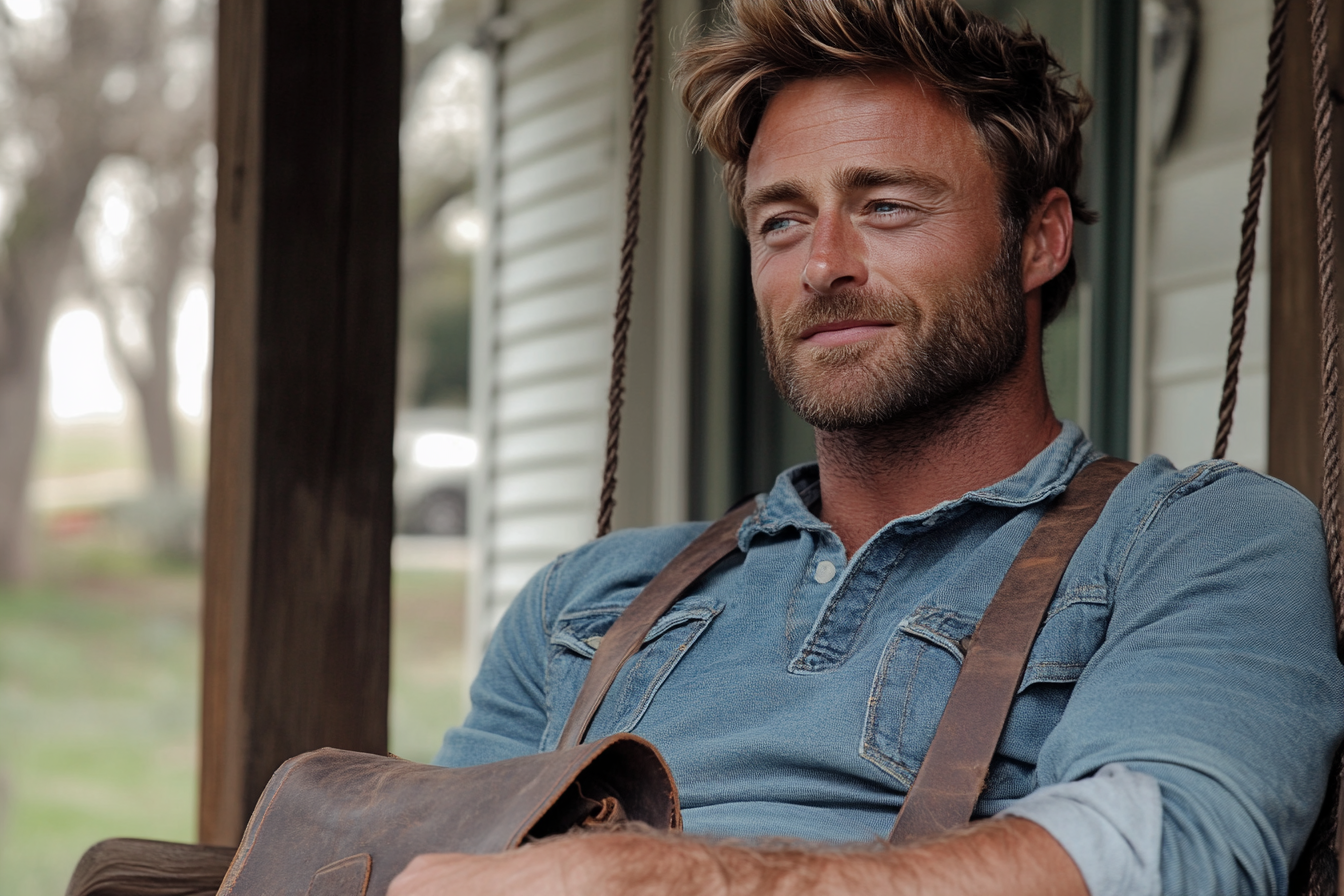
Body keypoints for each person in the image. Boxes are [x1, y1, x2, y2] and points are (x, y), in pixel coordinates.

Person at [389, 1, 1344, 894]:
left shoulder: (1191, 539)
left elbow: (1164, 845)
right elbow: (437, 868)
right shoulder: (582, 603)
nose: (821, 265)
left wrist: (672, 878)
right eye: (782, 220)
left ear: (1040, 239)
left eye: (885, 206)